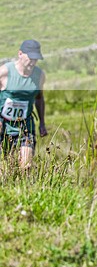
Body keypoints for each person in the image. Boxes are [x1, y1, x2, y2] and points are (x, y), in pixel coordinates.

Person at [0, 40, 47, 170]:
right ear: (20, 54)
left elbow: (39, 98)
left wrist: (42, 123)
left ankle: (26, 182)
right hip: (3, 125)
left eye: (36, 59)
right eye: (30, 58)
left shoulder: (39, 75)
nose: (32, 62)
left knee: (26, 166)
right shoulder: (4, 72)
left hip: (25, 125)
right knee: (3, 168)